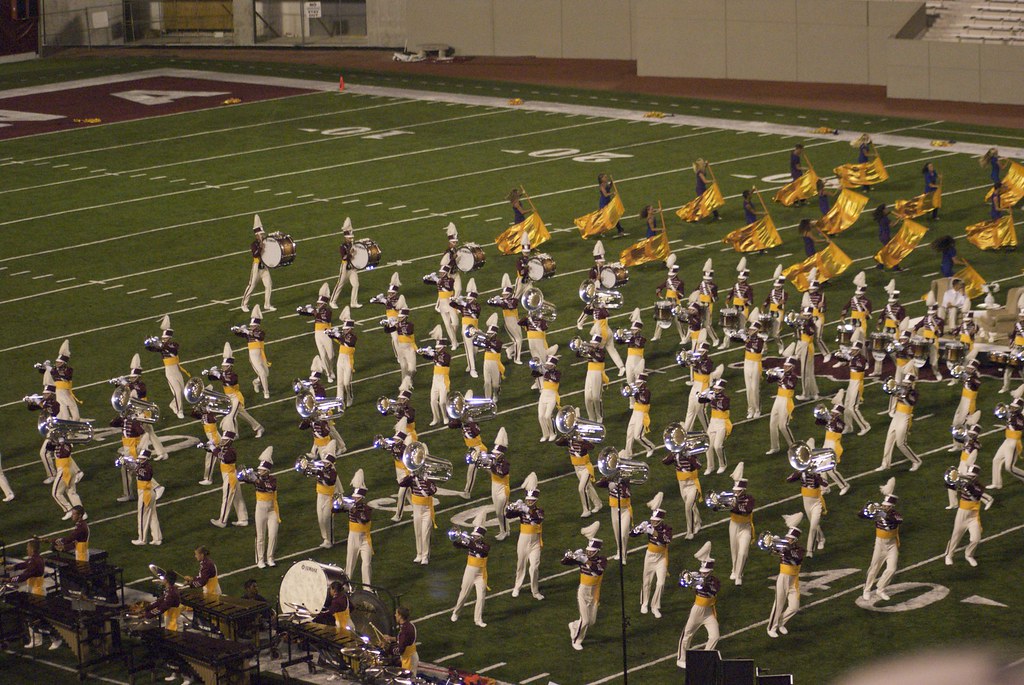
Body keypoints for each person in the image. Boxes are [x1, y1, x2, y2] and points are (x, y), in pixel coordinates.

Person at [563, 523, 607, 651]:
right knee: (586, 620)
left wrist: (584, 561)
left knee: (591, 621)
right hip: (583, 590)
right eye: (588, 550)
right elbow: (564, 562)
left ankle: (574, 625)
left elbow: (598, 570)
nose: (588, 552)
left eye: (591, 551)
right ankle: (576, 640)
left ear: (597, 552)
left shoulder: (601, 561)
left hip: (594, 592)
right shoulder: (582, 558)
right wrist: (570, 556)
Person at [676, 542, 720, 668]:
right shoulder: (697, 577)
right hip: (697, 610)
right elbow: (682, 584)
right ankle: (681, 658)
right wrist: (688, 580)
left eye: (706, 572)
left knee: (715, 636)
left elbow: (713, 590)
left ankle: (705, 657)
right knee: (687, 634)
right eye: (702, 572)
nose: (703, 574)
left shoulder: (714, 581)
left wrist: (701, 583)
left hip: (708, 612)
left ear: (710, 571)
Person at [207, 344, 264, 438]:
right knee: (243, 414)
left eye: (225, 366)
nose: (223, 368)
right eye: (223, 366)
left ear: (230, 366)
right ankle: (258, 428)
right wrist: (210, 373)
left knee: (231, 416)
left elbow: (229, 380)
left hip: (236, 398)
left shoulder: (233, 375)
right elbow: (212, 378)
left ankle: (232, 434)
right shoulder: (224, 374)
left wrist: (218, 375)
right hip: (229, 398)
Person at [629, 493, 671, 618]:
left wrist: (653, 532)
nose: (652, 522)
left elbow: (666, 540)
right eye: (652, 520)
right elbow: (632, 535)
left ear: (660, 521)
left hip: (661, 558)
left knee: (661, 583)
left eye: (655, 521)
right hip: (650, 556)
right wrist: (639, 528)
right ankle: (644, 603)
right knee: (646, 581)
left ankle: (655, 606)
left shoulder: (666, 529)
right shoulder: (648, 525)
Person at [860, 479, 902, 601]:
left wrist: (882, 513)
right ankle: (866, 589)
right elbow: (860, 515)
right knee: (874, 567)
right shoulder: (878, 512)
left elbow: (897, 520)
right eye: (884, 505)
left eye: (887, 506)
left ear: (892, 507)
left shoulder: (895, 514)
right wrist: (867, 509)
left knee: (892, 569)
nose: (884, 507)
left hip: (892, 544)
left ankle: (880, 589)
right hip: (880, 543)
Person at [944, 464, 993, 567]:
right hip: (962, 513)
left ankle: (969, 555)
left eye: (972, 476)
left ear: (976, 476)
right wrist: (954, 479)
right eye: (969, 475)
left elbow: (976, 498)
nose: (970, 477)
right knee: (956, 536)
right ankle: (949, 555)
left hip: (973, 516)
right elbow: (949, 485)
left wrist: (968, 489)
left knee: (976, 538)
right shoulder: (963, 482)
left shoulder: (979, 486)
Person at [506, 473, 544, 600]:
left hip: (535, 542)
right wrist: (512, 508)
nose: (528, 503)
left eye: (531, 501)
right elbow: (508, 516)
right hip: (523, 539)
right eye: (527, 501)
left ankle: (535, 591)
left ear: (535, 501)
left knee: (534, 567)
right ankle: (517, 586)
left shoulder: (539, 511)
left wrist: (526, 510)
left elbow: (537, 519)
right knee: (520, 565)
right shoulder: (522, 510)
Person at [767, 513, 806, 638]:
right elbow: (772, 551)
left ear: (795, 540)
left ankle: (781, 623)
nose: (787, 540)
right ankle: (771, 628)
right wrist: (772, 544)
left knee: (794, 607)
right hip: (783, 577)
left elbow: (795, 557)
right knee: (779, 603)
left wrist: (782, 546)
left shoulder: (799, 550)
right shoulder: (784, 547)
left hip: (794, 580)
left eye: (790, 539)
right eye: (787, 538)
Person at [449, 512, 490, 628]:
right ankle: (455, 612)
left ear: (481, 537)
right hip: (469, 573)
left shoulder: (485, 546)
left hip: (480, 574)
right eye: (473, 535)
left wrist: (469, 541)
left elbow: (481, 549)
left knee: (481, 597)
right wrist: (457, 539)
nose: (474, 537)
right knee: (464, 595)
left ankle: (478, 619)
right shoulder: (470, 543)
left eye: (476, 536)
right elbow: (457, 545)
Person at [786, 447, 828, 557]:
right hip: (806, 502)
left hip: (816, 502)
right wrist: (799, 471)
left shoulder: (816, 470)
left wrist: (816, 476)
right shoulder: (802, 471)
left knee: (813, 526)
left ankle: (810, 551)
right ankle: (821, 538)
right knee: (814, 525)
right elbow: (788, 480)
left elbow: (825, 483)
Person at [203, 430, 249, 529]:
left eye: (225, 440)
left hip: (230, 476)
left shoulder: (231, 451)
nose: (223, 441)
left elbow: (224, 457)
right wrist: (207, 446)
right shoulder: (224, 448)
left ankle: (222, 521)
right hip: (230, 475)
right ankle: (243, 519)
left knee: (227, 498)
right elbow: (215, 451)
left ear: (230, 441)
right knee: (237, 498)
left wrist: (213, 449)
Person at [595, 452, 635, 565]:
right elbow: (599, 484)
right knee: (617, 533)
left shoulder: (627, 476)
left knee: (623, 534)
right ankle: (619, 551)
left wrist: (618, 483)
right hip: (614, 508)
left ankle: (624, 554)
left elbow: (627, 493)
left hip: (625, 509)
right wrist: (608, 481)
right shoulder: (611, 474)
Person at [879, 372, 922, 471]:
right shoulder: (901, 389)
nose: (905, 384)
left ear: (912, 383)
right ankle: (885, 464)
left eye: (908, 383)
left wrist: (904, 395)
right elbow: (892, 396)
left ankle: (916, 461)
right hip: (897, 416)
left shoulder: (914, 393)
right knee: (889, 439)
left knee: (901, 443)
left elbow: (911, 403)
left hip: (905, 418)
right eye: (905, 382)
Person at [146, 315, 187, 419]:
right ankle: (179, 411)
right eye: (163, 338)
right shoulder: (162, 347)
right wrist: (149, 343)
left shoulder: (173, 345)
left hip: (177, 370)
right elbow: (151, 349)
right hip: (169, 371)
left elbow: (173, 349)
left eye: (165, 338)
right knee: (177, 391)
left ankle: (173, 404)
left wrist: (160, 344)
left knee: (182, 392)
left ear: (170, 338)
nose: (164, 340)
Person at [556, 431, 603, 519]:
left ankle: (586, 510)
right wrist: (565, 436)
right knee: (588, 487)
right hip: (576, 468)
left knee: (582, 488)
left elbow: (592, 447)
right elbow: (558, 443)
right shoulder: (569, 441)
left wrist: (582, 441)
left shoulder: (582, 441)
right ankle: (598, 504)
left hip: (585, 468)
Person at [400, 462, 438, 565]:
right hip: (416, 510)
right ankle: (419, 554)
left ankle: (425, 556)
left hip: (427, 510)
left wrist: (426, 480)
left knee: (425, 533)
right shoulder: (412, 479)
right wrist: (411, 476)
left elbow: (433, 490)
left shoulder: (428, 479)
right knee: (418, 533)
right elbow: (401, 483)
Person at [298, 283, 336, 384]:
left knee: (331, 355)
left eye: (319, 304)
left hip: (326, 333)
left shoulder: (328, 311)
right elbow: (305, 313)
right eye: (318, 303)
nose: (318, 305)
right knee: (323, 355)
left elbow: (324, 318)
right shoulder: (317, 310)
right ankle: (328, 374)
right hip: (317, 334)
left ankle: (331, 369)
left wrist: (314, 311)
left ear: (324, 304)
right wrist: (302, 310)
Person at [231, 307, 271, 401]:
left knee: (266, 373)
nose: (252, 327)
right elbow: (238, 334)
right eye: (251, 326)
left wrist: (247, 331)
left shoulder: (259, 332)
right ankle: (266, 392)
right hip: (253, 356)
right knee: (262, 373)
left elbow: (260, 336)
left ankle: (256, 382)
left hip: (261, 354)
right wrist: (237, 330)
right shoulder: (248, 333)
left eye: (254, 326)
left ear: (258, 326)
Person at [248, 447, 278, 568]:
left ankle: (270, 558)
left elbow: (270, 487)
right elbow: (243, 478)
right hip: (260, 509)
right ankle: (260, 559)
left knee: (273, 534)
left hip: (272, 510)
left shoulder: (272, 479)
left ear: (267, 471)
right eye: (259, 470)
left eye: (262, 470)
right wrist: (248, 475)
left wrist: (256, 480)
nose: (259, 472)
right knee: (260, 536)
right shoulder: (256, 478)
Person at [765, 347, 799, 456]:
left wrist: (781, 376)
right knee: (772, 423)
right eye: (784, 365)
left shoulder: (793, 377)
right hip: (778, 399)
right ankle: (774, 447)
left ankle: (793, 447)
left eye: (787, 366)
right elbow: (769, 381)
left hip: (786, 401)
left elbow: (790, 385)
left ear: (792, 367)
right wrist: (771, 374)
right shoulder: (781, 373)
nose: (784, 367)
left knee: (783, 425)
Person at [818, 391, 852, 495]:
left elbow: (837, 428)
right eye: (832, 412)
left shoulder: (840, 423)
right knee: (820, 466)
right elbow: (818, 422)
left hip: (834, 446)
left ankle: (844, 485)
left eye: (834, 413)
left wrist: (830, 419)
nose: (832, 414)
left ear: (839, 414)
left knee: (830, 469)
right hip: (826, 445)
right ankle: (825, 487)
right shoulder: (830, 420)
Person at [727, 465, 754, 585]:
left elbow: (745, 510)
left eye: (737, 491)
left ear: (743, 490)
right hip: (733, 525)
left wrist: (734, 504)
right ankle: (734, 569)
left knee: (743, 552)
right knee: (734, 549)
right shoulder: (731, 498)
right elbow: (718, 508)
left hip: (745, 527)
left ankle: (739, 575)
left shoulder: (749, 499)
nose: (734, 492)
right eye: (734, 490)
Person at [241, 215, 274, 313]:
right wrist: (260, 246)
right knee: (251, 285)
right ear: (256, 235)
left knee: (269, 285)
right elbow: (255, 254)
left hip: (264, 267)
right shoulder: (254, 244)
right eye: (260, 234)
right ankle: (244, 304)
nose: (262, 236)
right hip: (256, 267)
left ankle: (267, 305)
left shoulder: (265, 242)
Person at [699, 375, 731, 475]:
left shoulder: (726, 399)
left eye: (717, 389)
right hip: (713, 422)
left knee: (717, 446)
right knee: (708, 445)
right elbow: (701, 400)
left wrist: (713, 398)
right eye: (715, 389)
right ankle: (710, 466)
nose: (715, 390)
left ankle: (722, 465)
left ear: (721, 390)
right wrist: (702, 395)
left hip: (722, 423)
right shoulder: (712, 395)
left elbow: (722, 407)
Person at [990, 397, 1024, 489]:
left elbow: (1019, 425)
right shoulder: (1012, 414)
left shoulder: (1020, 418)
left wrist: (1010, 416)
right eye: (1012, 407)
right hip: (1007, 440)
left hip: (1013, 444)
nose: (1012, 409)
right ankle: (997, 483)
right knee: (996, 460)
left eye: (1014, 408)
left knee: (1009, 467)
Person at [330, 218, 363, 310]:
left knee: (356, 284)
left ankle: (353, 302)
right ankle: (332, 301)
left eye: (351, 238)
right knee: (340, 284)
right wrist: (350, 253)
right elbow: (344, 257)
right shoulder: (343, 246)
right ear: (345, 238)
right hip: (345, 267)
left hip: (352, 268)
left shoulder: (352, 245)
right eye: (349, 238)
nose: (351, 239)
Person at [652, 254, 685, 343]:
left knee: (678, 321)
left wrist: (677, 293)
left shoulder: (680, 282)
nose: (670, 276)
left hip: (676, 303)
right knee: (661, 318)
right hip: (667, 302)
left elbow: (682, 295)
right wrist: (658, 290)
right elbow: (661, 286)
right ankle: (656, 336)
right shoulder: (668, 280)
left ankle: (683, 337)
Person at [132, 450, 163, 546]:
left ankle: (142, 539)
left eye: (141, 458)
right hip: (149, 492)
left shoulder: (147, 467)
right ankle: (157, 538)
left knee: (142, 516)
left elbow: (146, 476)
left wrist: (136, 468)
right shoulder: (142, 465)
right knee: (153, 515)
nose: (139, 459)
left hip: (145, 494)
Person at [452, 279, 481, 379]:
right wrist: (454, 300)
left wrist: (464, 304)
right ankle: (472, 369)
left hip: (475, 328)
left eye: (469, 299)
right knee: (469, 349)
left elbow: (474, 310)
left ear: (474, 299)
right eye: (467, 299)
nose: (468, 300)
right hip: (466, 328)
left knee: (475, 349)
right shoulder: (464, 306)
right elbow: (452, 305)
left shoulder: (477, 306)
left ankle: (470, 364)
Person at [623, 372, 656, 457]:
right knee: (629, 433)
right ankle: (628, 453)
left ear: (643, 382)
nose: (637, 384)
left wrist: (636, 393)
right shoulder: (638, 390)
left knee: (638, 436)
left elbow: (644, 401)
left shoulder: (647, 391)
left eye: (639, 382)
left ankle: (650, 447)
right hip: (635, 411)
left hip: (642, 413)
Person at [793, 307, 820, 401]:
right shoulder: (803, 323)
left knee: (805, 371)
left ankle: (806, 394)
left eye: (807, 315)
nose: (805, 317)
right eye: (804, 315)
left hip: (807, 347)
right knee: (808, 371)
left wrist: (803, 325)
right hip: (803, 345)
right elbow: (798, 336)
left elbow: (809, 332)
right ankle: (814, 393)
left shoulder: (811, 324)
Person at [382, 607, 418, 675]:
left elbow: (400, 650)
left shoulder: (405, 630)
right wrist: (390, 638)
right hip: (410, 656)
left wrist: (387, 647)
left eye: (396, 614)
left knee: (407, 680)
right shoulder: (409, 625)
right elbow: (403, 640)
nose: (395, 615)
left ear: (400, 616)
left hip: (409, 660)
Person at [743, 314, 766, 418]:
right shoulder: (748, 338)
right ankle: (750, 409)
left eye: (752, 330)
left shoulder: (760, 340)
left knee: (755, 388)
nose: (749, 331)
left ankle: (757, 409)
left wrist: (747, 342)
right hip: (747, 362)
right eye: (749, 330)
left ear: (756, 331)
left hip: (756, 364)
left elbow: (756, 349)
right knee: (748, 388)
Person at [598, 173, 626, 237]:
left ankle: (620, 230)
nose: (606, 178)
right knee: (605, 218)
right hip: (604, 204)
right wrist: (612, 193)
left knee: (614, 215)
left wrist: (611, 183)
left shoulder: (606, 184)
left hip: (608, 202)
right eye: (604, 177)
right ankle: (600, 231)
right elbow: (605, 195)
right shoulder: (602, 186)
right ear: (601, 179)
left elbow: (609, 187)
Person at [873, 204, 897, 270]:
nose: (887, 209)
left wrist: (893, 213)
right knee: (891, 252)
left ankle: (880, 265)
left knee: (887, 251)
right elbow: (893, 225)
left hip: (882, 235)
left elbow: (890, 212)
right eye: (886, 208)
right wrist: (900, 218)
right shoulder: (885, 219)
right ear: (883, 210)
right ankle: (895, 267)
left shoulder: (881, 217)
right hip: (885, 236)